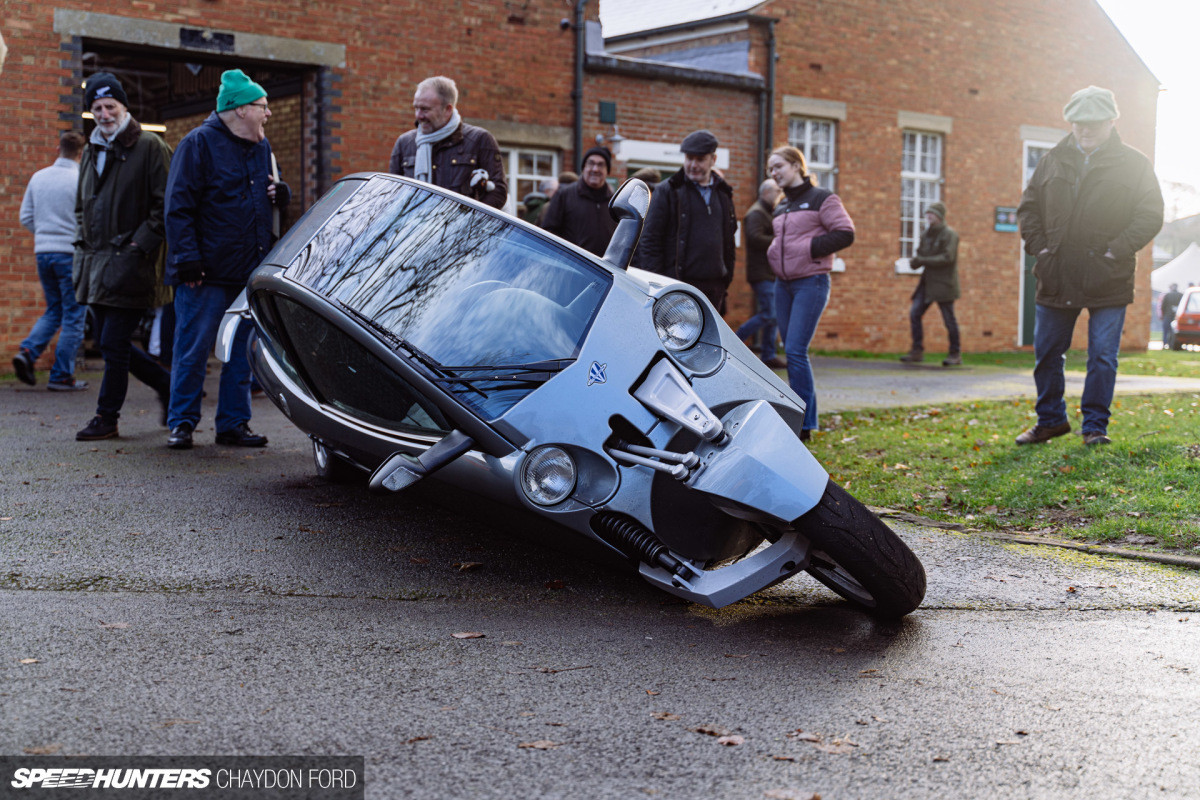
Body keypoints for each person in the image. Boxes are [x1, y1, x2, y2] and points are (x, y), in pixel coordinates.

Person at [1015, 85, 1163, 446]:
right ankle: (1050, 420)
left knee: (1102, 356)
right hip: (1056, 273)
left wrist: (1118, 248)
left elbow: (1150, 214)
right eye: (1078, 122)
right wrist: (1042, 249)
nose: (1085, 129)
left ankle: (1095, 426)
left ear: (1112, 121)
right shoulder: (1051, 160)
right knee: (1047, 353)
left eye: (1093, 123)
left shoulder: (1135, 164)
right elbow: (1029, 210)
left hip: (1107, 275)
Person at [163, 69, 292, 450]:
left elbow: (269, 195)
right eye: (262, 107)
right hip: (203, 273)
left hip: (247, 270)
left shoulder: (262, 149)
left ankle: (233, 424)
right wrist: (187, 258)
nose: (268, 114)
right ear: (239, 110)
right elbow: (178, 207)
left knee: (242, 353)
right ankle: (182, 423)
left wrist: (281, 193)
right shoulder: (198, 144)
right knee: (193, 349)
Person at [72, 73, 173, 441]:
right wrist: (82, 235)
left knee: (113, 343)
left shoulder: (149, 146)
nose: (103, 113)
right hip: (96, 263)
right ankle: (166, 383)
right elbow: (83, 204)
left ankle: (107, 417)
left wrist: (138, 246)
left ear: (124, 107)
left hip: (133, 264)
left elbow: (166, 205)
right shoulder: (90, 149)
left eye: (110, 106)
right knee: (109, 342)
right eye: (96, 108)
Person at [766, 145, 856, 441]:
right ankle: (808, 419)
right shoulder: (781, 205)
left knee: (795, 350)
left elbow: (845, 233)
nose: (774, 173)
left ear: (795, 165)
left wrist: (807, 249)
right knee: (790, 351)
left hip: (811, 282)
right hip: (783, 284)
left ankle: (802, 424)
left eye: (778, 166)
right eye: (770, 169)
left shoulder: (822, 198)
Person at [13, 131, 89, 391]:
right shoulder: (81, 179)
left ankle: (27, 351)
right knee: (74, 315)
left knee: (54, 310)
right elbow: (90, 220)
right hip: (70, 254)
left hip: (43, 252)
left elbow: (26, 216)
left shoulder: (39, 177)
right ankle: (61, 376)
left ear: (58, 148)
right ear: (81, 153)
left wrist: (45, 235)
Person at [633, 130, 737, 312]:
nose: (693, 165)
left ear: (713, 159)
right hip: (678, 288)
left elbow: (729, 238)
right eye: (689, 158)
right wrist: (660, 286)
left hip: (715, 288)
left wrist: (726, 278)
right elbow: (649, 241)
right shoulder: (668, 191)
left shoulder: (723, 193)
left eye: (700, 159)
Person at [388, 75, 507, 209]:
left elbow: (498, 193)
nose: (418, 116)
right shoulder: (404, 143)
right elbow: (393, 196)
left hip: (461, 229)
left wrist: (465, 223)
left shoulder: (480, 140)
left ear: (448, 110)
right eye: (416, 108)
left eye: (425, 109)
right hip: (414, 228)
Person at [901, 201, 962, 366]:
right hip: (926, 283)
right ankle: (917, 350)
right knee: (915, 314)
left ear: (940, 216)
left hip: (944, 284)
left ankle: (955, 354)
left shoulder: (950, 235)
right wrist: (916, 262)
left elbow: (947, 258)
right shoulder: (926, 234)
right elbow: (921, 253)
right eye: (927, 213)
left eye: (932, 213)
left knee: (949, 320)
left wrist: (923, 260)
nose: (928, 216)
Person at [735, 179, 785, 369]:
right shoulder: (756, 213)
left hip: (770, 272)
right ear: (766, 192)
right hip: (761, 272)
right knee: (770, 314)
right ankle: (737, 340)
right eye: (777, 191)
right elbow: (755, 238)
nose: (779, 194)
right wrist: (780, 239)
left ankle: (768, 354)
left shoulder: (767, 212)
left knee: (774, 314)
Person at [539, 146, 617, 257]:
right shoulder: (564, 195)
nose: (595, 169)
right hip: (573, 269)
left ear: (607, 171)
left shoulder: (615, 203)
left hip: (606, 272)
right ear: (584, 168)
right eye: (591, 163)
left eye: (601, 165)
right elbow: (548, 233)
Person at [1159, 283, 1183, 347]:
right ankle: (1172, 343)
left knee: (1166, 330)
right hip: (1176, 316)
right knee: (1175, 331)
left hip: (1167, 314)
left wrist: (1163, 314)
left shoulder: (1167, 295)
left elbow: (1163, 306)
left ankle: (1165, 343)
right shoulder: (1181, 295)